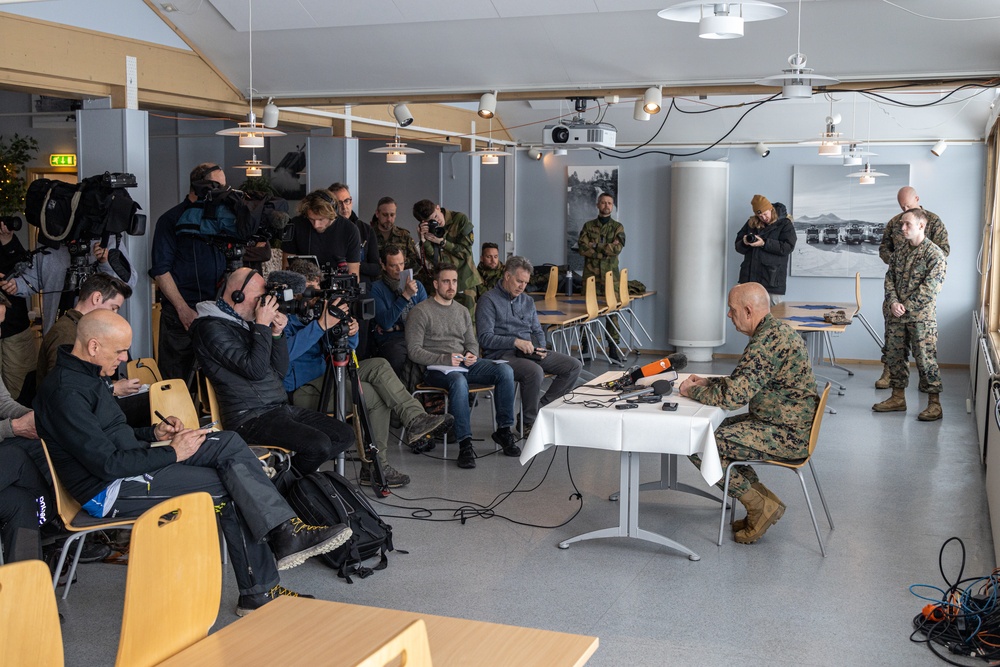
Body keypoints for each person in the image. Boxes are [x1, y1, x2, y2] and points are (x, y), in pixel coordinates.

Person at [34, 310, 352, 616]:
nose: (123, 359)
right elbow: (108, 464)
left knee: (227, 442)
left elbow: (112, 436)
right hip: (107, 490)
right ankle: (261, 589)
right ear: (93, 346)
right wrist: (173, 452)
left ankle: (284, 529)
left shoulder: (88, 375)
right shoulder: (66, 392)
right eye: (119, 352)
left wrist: (154, 432)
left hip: (127, 465)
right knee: (231, 486)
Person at [282, 262, 453, 489]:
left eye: (316, 291)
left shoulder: (314, 314)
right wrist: (321, 324)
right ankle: (395, 443)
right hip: (301, 390)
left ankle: (386, 453)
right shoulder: (282, 316)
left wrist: (349, 331)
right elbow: (285, 355)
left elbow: (343, 349)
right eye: (310, 292)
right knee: (375, 381)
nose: (314, 298)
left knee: (376, 381)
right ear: (294, 292)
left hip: (329, 379)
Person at [679, 282, 818, 545]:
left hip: (785, 434)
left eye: (732, 310)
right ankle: (763, 502)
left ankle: (758, 505)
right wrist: (709, 384)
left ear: (748, 310)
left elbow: (734, 398)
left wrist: (690, 392)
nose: (729, 315)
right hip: (783, 424)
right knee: (715, 436)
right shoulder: (773, 332)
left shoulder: (765, 343)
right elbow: (745, 381)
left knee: (698, 443)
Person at [190, 268, 355, 475]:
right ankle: (285, 488)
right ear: (237, 295)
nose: (264, 304)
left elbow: (279, 371)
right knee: (318, 445)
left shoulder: (244, 323)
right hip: (248, 418)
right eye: (259, 298)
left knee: (344, 435)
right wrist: (262, 325)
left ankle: (284, 481)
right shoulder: (210, 328)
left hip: (276, 407)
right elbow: (255, 370)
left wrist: (277, 334)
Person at [405, 263, 518, 469]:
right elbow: (414, 351)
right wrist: (445, 359)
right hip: (436, 370)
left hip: (463, 364)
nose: (451, 286)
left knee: (505, 371)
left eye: (454, 281)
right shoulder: (420, 311)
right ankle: (465, 444)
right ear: (436, 283)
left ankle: (504, 430)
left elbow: (472, 342)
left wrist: (471, 355)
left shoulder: (463, 310)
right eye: (446, 281)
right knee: (458, 380)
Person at [476, 256, 582, 435]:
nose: (522, 286)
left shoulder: (527, 301)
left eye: (525, 282)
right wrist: (514, 341)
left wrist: (540, 346)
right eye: (519, 281)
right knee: (534, 371)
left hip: (529, 351)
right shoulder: (488, 300)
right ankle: (528, 422)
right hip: (501, 355)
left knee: (573, 366)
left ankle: (540, 411)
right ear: (507, 276)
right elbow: (485, 338)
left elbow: (537, 330)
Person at [149, 162, 228, 387]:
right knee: (177, 381)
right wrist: (183, 310)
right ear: (199, 186)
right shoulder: (170, 220)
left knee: (218, 383)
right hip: (181, 315)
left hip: (219, 311)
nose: (223, 191)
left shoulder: (222, 220)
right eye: (217, 186)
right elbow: (161, 270)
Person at [872, 208, 947, 421]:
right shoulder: (900, 252)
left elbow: (930, 288)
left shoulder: (935, 254)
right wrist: (894, 302)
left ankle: (934, 404)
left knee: (925, 360)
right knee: (895, 357)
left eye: (907, 225)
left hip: (921, 318)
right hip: (896, 316)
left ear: (921, 226)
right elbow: (889, 279)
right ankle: (897, 398)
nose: (902, 228)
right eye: (902, 224)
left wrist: (905, 306)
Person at [36, 273, 139, 396]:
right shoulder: (65, 333)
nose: (115, 315)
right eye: (113, 308)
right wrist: (112, 388)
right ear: (96, 298)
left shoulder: (74, 326)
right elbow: (62, 388)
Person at [329, 183, 379, 357]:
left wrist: (353, 263)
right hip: (334, 292)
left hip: (362, 292)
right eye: (339, 202)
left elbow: (376, 267)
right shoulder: (328, 229)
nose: (344, 207)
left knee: (361, 340)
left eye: (347, 201)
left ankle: (361, 376)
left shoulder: (365, 229)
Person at [413, 199, 481, 318]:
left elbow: (465, 252)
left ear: (438, 208)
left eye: (435, 215)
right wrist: (424, 241)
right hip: (442, 284)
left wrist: (443, 242)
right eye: (430, 220)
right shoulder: (430, 229)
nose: (436, 221)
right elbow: (436, 261)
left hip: (464, 279)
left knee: (468, 321)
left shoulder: (460, 219)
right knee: (441, 320)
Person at [577, 192, 625, 359]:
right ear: (597, 205)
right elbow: (582, 248)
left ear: (612, 206)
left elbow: (617, 249)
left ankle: (613, 347)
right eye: (603, 203)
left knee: (612, 313)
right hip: (591, 277)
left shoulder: (617, 227)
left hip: (610, 277)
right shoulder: (588, 226)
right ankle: (584, 346)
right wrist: (605, 250)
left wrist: (595, 245)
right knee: (586, 312)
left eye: (609, 203)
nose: (606, 206)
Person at [371, 244, 427, 377]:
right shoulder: (376, 288)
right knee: (398, 358)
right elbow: (385, 323)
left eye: (401, 264)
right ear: (383, 265)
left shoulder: (417, 285)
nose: (399, 269)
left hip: (417, 338)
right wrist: (406, 295)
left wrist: (396, 327)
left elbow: (426, 320)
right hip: (392, 341)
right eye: (393, 265)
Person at [282, 189, 361, 279]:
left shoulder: (350, 230)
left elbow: (354, 275)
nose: (316, 225)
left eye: (321, 219)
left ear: (333, 214)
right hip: (303, 287)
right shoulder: (296, 225)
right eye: (311, 219)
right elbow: (286, 269)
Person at [734, 194, 796, 305]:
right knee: (748, 315)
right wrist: (744, 242)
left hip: (772, 279)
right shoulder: (751, 224)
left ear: (770, 209)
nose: (763, 218)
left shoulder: (785, 224)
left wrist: (764, 243)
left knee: (773, 316)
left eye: (765, 214)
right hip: (749, 279)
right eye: (760, 216)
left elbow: (788, 247)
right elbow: (738, 247)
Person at [0, 220, 38, 399]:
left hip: (15, 330)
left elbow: (27, 272)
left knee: (22, 390)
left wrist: (7, 240)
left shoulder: (6, 238)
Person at [372, 197, 421, 273]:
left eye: (392, 215)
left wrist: (399, 261)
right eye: (385, 215)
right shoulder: (369, 234)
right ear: (377, 214)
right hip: (375, 281)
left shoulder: (404, 235)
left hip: (400, 281)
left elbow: (416, 262)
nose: (389, 219)